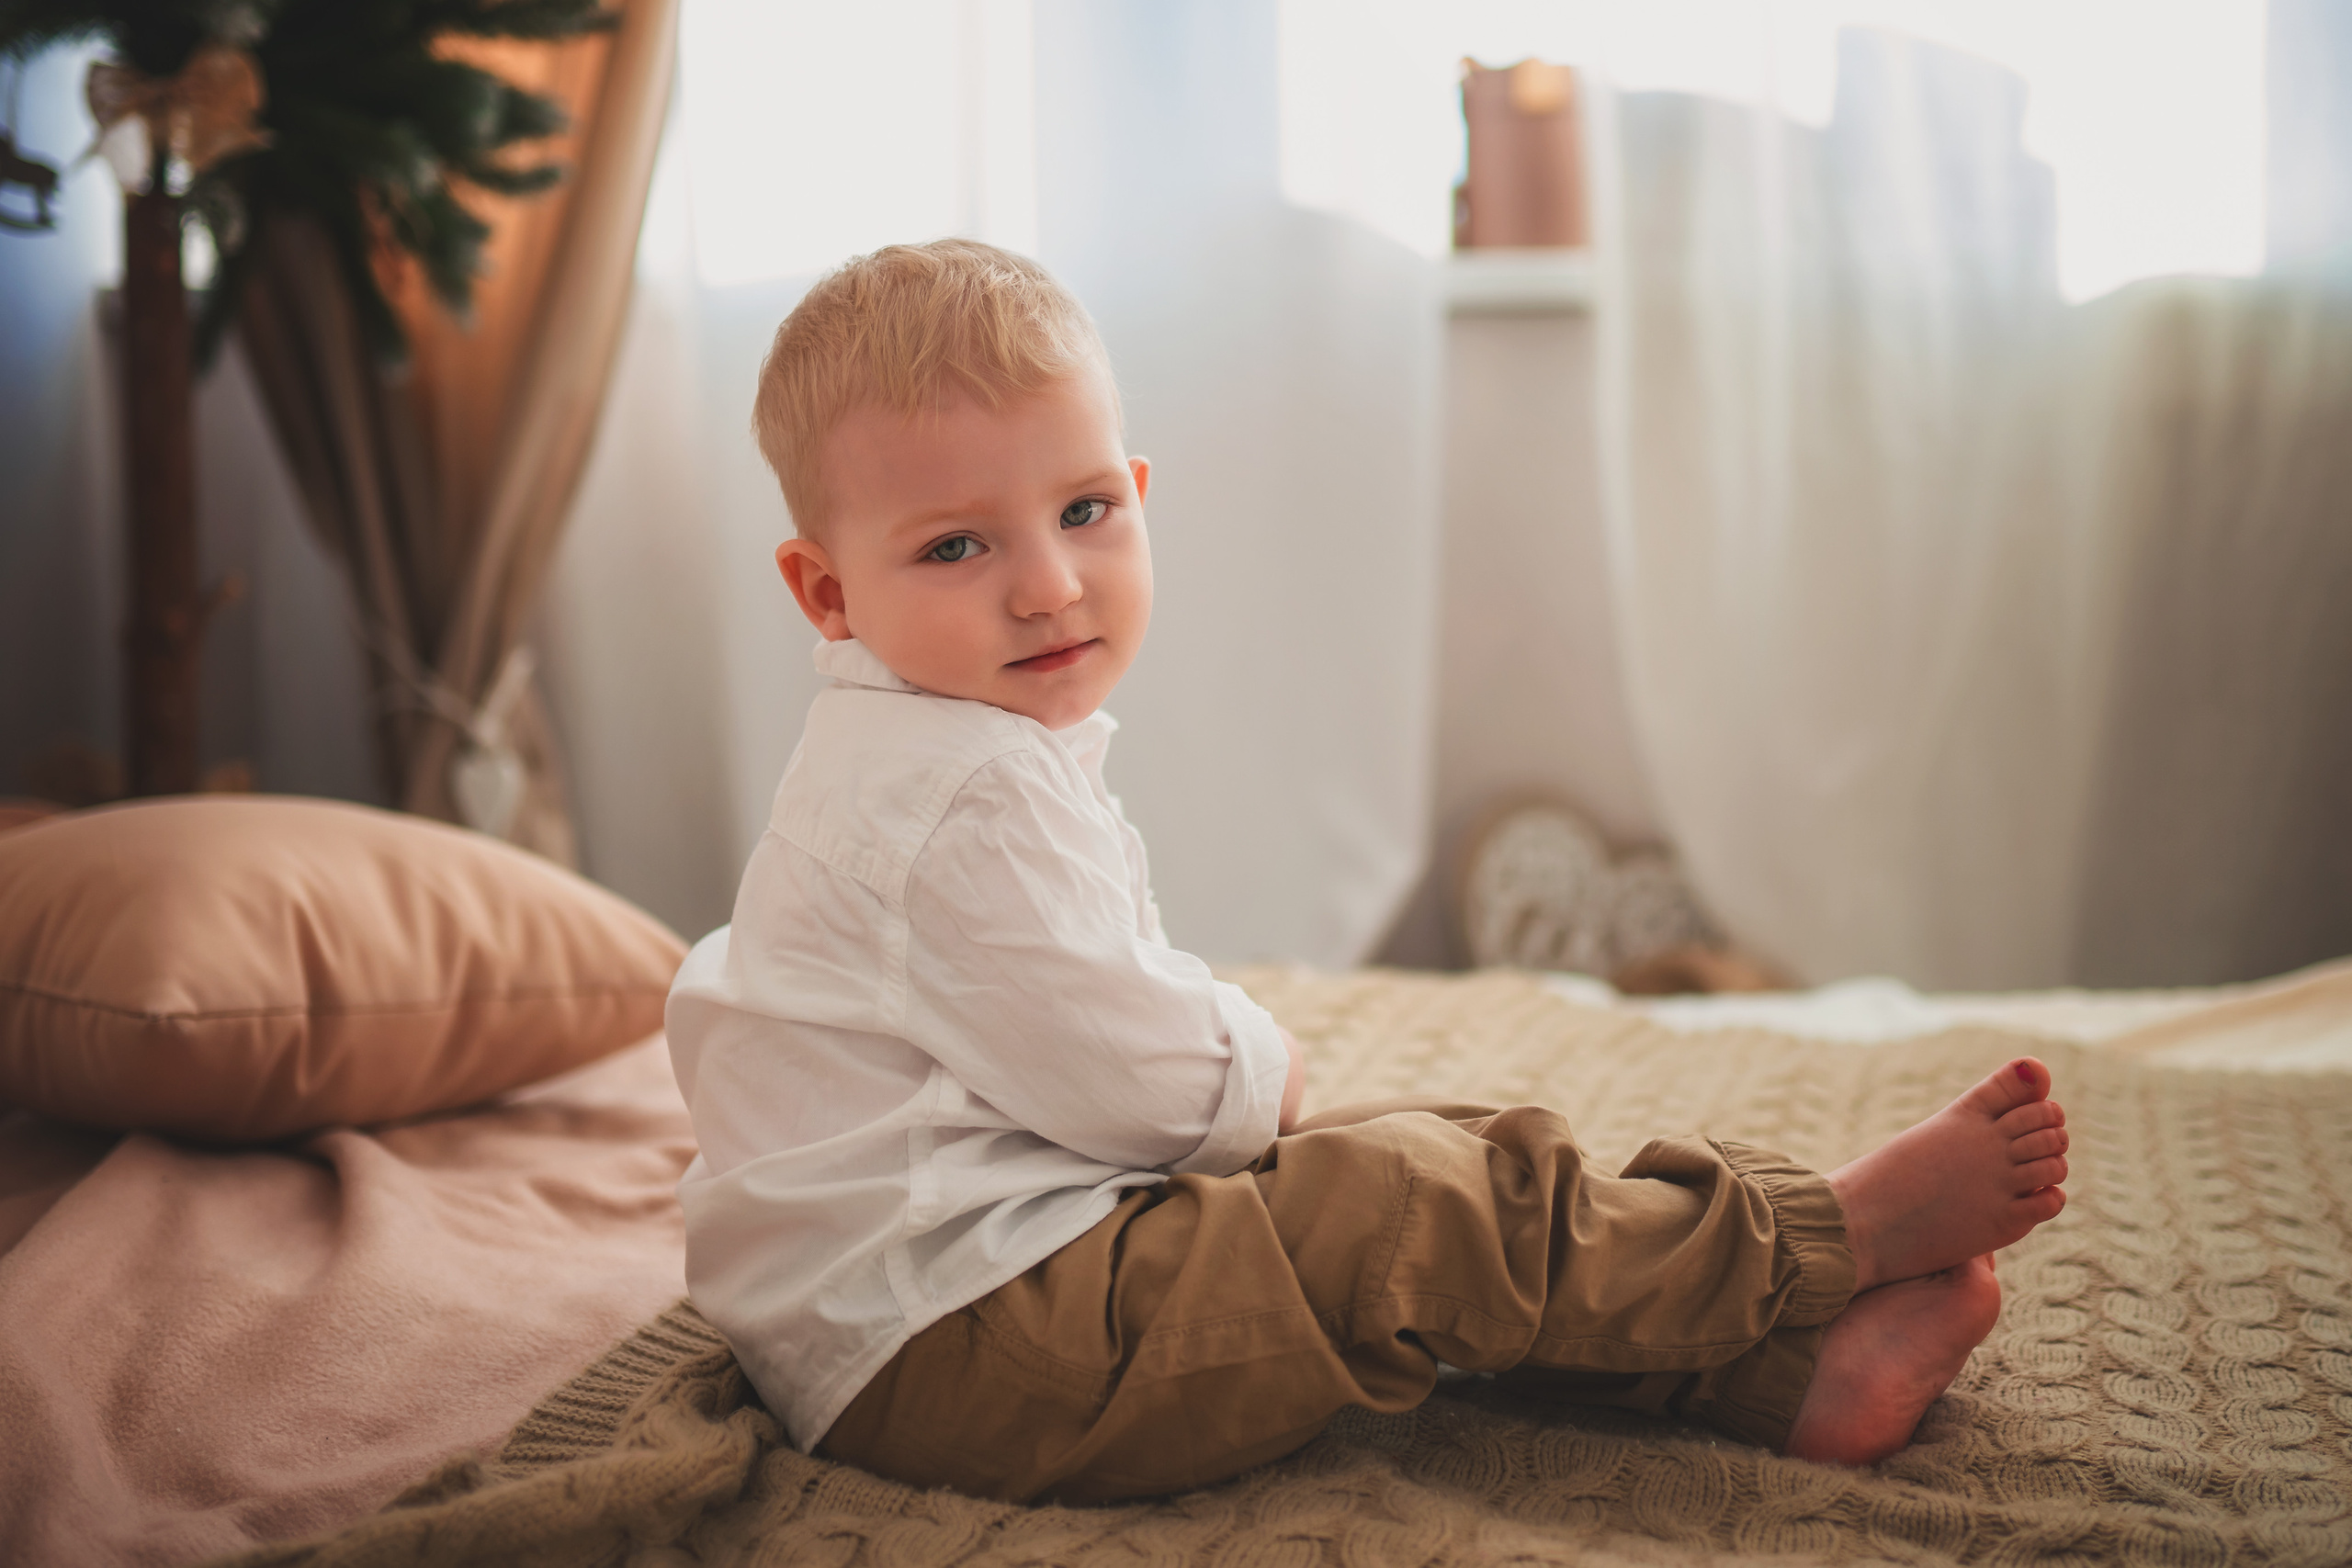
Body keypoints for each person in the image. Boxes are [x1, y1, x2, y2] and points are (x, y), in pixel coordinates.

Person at [663, 238, 2072, 1506]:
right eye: (958, 545)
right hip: (972, 1351)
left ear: (1138, 493)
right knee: (1404, 1208)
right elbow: (1160, 1092)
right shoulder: (950, 797)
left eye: (1084, 511)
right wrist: (1263, 1065)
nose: (1047, 584)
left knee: (1436, 1183)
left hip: (965, 1303)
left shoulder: (931, 747)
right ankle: (1820, 1239)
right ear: (828, 590)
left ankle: (1785, 1379)